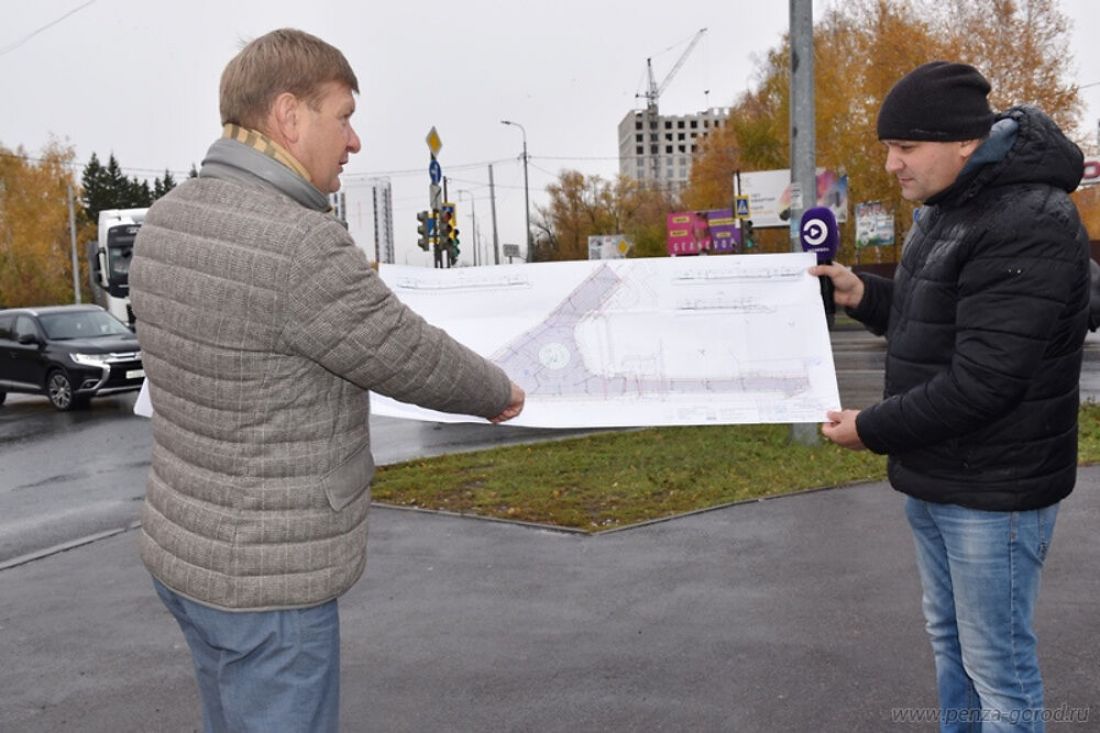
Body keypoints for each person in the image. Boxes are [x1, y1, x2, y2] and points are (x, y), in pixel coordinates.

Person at [129, 28, 525, 733]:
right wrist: (500, 391)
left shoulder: (167, 218)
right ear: (289, 116)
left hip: (185, 554)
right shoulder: (300, 243)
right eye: (342, 116)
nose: (354, 141)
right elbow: (408, 353)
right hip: (269, 584)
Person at [813, 61, 1089, 731]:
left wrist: (871, 426)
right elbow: (931, 318)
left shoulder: (1029, 218)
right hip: (940, 476)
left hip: (993, 488)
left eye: (905, 147)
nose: (891, 164)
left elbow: (984, 381)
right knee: (954, 646)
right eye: (888, 147)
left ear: (964, 141)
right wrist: (862, 295)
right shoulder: (947, 206)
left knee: (998, 667)